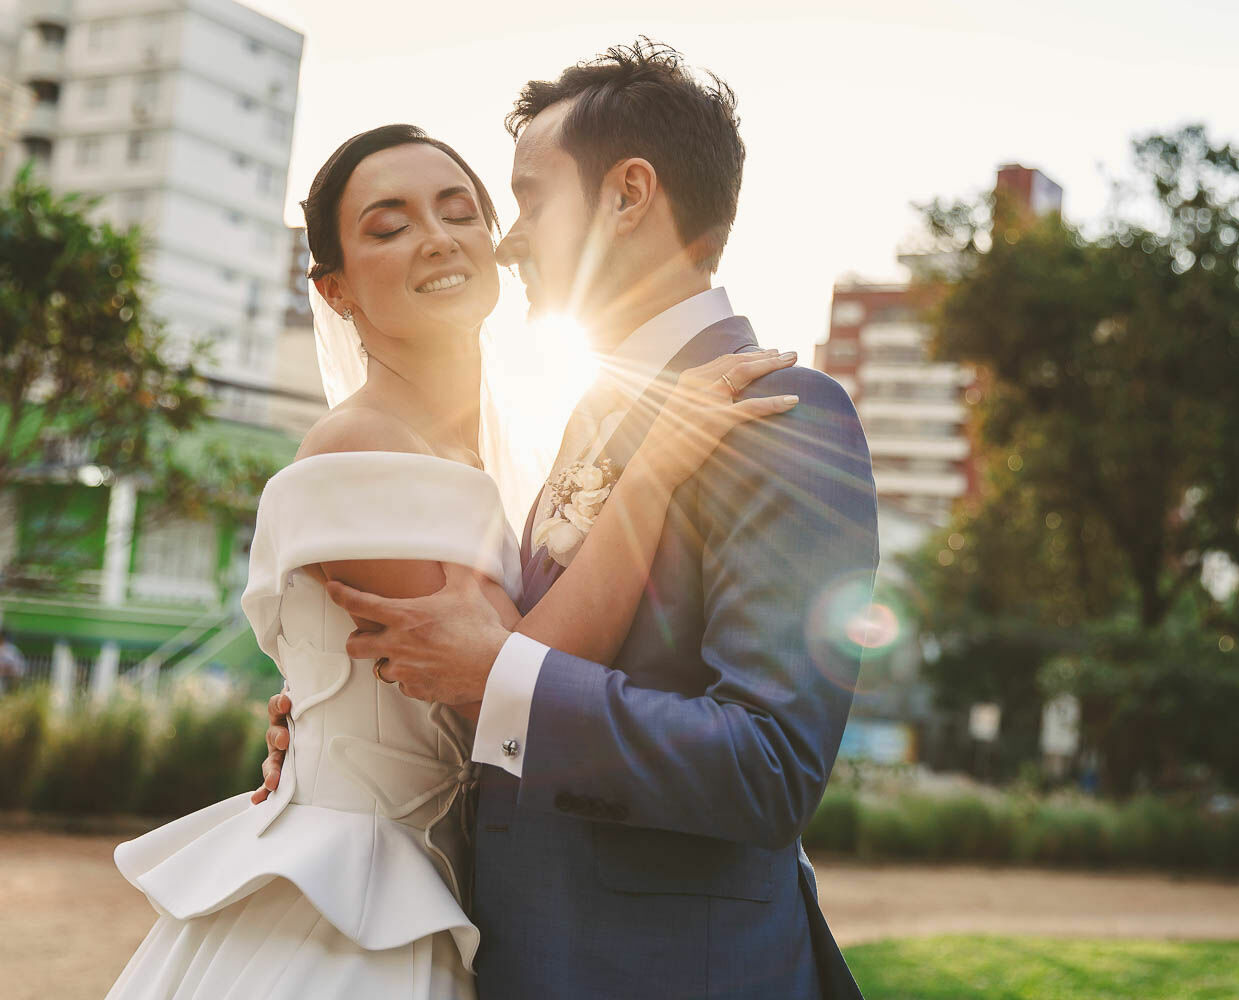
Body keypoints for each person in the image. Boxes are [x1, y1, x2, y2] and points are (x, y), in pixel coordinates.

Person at [104, 119, 799, 1000]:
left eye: (459, 211)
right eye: (388, 227)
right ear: (337, 289)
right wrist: (656, 471)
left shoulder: (499, 458)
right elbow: (514, 677)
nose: (436, 238)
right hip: (353, 905)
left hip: (461, 891)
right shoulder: (356, 451)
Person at [262, 40, 878, 999]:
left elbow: (767, 767)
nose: (504, 241)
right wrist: (348, 717)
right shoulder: (591, 425)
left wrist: (497, 680)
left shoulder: (779, 417)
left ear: (628, 196)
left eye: (529, 201)